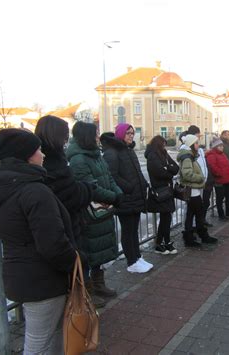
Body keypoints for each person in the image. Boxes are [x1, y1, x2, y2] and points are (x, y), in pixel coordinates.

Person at [0, 128, 77, 354]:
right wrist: (75, 262)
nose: (42, 155)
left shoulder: (4, 187)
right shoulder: (34, 190)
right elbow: (52, 244)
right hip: (42, 279)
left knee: (48, 336)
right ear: (25, 155)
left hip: (22, 274)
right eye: (37, 150)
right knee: (39, 342)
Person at [34, 115, 106, 307]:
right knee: (75, 264)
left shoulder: (54, 157)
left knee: (79, 262)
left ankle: (83, 297)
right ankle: (80, 302)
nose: (67, 140)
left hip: (69, 220)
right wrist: (88, 189)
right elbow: (69, 194)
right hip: (64, 223)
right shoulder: (52, 161)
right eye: (65, 135)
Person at [67, 122, 124, 300]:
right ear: (86, 136)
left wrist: (118, 193)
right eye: (95, 134)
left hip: (103, 211)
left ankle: (99, 284)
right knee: (90, 252)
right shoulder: (78, 159)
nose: (98, 137)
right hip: (91, 214)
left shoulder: (96, 155)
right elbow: (91, 187)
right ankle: (89, 292)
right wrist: (113, 197)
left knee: (100, 252)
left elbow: (108, 177)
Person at [100, 123, 153, 272]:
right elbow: (112, 176)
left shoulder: (128, 149)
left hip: (135, 197)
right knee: (128, 231)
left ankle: (137, 257)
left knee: (133, 230)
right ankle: (131, 262)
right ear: (121, 134)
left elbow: (136, 171)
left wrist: (143, 184)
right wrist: (128, 188)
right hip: (125, 198)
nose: (131, 135)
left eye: (132, 133)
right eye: (128, 133)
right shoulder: (112, 152)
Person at [177, 134, 217, 246]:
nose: (198, 145)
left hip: (194, 189)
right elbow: (187, 174)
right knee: (199, 215)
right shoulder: (187, 157)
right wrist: (200, 178)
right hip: (193, 190)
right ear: (191, 144)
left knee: (191, 215)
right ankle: (202, 236)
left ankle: (190, 238)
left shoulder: (190, 156)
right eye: (196, 143)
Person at [145, 135, 179, 254]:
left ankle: (162, 242)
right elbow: (159, 172)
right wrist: (168, 171)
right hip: (160, 191)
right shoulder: (152, 155)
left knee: (167, 217)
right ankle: (163, 242)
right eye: (163, 144)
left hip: (167, 190)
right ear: (158, 144)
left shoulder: (163, 153)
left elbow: (176, 167)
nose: (165, 146)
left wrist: (167, 168)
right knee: (166, 217)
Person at [186, 125, 213, 228]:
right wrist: (200, 178)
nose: (199, 141)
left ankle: (199, 225)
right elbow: (188, 172)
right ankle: (193, 229)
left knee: (200, 207)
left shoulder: (199, 150)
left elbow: (202, 165)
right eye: (197, 137)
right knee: (193, 210)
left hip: (202, 183)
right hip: (195, 186)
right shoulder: (187, 152)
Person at [206, 137, 229, 219]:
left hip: (228, 179)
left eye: (222, 146)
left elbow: (227, 165)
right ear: (215, 147)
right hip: (220, 180)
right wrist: (220, 174)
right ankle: (221, 215)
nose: (222, 147)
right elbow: (213, 167)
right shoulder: (212, 155)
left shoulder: (222, 154)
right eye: (219, 146)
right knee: (220, 199)